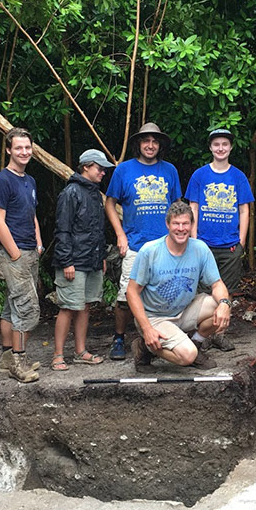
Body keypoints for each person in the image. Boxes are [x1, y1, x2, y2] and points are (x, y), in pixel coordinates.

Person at [104, 122, 182, 361]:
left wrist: (180, 238)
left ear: (160, 145)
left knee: (166, 294)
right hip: (135, 244)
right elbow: (109, 203)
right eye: (146, 141)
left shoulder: (169, 171)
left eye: (155, 141)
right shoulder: (124, 170)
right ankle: (119, 338)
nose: (150, 145)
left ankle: (164, 337)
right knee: (126, 295)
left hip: (165, 245)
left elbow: (177, 206)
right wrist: (119, 234)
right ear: (138, 144)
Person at [127, 201, 232, 371]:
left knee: (220, 304)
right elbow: (131, 292)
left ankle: (195, 343)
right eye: (176, 223)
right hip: (154, 316)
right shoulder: (150, 251)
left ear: (192, 225)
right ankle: (144, 347)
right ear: (167, 224)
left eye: (185, 223)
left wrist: (224, 305)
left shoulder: (200, 249)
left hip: (183, 310)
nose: (181, 228)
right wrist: (146, 328)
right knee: (187, 356)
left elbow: (217, 284)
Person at [186, 127, 254, 352]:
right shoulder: (200, 175)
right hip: (204, 244)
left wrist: (241, 242)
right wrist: (193, 240)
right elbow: (192, 208)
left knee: (228, 292)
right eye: (216, 144)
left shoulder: (238, 176)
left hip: (230, 245)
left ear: (231, 147)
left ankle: (220, 335)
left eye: (225, 144)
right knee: (204, 293)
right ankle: (203, 334)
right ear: (210, 148)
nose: (221, 148)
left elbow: (244, 210)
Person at [50, 149, 114, 371]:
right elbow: (63, 230)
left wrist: (102, 256)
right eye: (100, 168)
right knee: (68, 306)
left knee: (85, 307)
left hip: (92, 260)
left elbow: (98, 230)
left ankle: (80, 351)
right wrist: (66, 261)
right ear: (86, 166)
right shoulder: (70, 193)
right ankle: (58, 355)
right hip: (73, 262)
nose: (103, 172)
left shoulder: (96, 194)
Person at [0, 128, 43, 383]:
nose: (24, 152)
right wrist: (14, 254)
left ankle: (6, 358)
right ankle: (18, 363)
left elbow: (31, 214)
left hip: (30, 250)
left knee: (12, 307)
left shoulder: (29, 180)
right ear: (9, 150)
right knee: (27, 309)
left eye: (27, 147)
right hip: (13, 253)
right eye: (18, 148)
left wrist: (39, 244)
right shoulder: (2, 181)